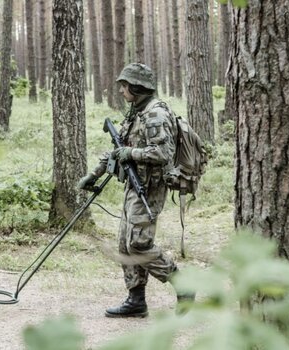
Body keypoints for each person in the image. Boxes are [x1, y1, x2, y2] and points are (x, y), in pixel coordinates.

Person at [78, 63, 192, 318]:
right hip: (134, 184)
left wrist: (130, 153)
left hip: (150, 188)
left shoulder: (155, 115)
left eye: (125, 85)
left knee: (139, 245)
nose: (121, 90)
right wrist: (93, 174)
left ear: (137, 88)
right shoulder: (136, 112)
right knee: (125, 245)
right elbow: (119, 147)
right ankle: (136, 300)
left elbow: (163, 153)